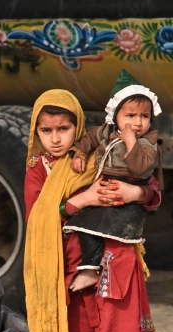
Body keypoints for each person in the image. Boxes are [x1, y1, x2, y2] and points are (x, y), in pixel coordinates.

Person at [23, 89, 160, 332]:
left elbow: (151, 187)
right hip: (66, 269)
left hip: (112, 259)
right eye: (46, 131)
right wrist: (77, 202)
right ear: (35, 132)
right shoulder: (38, 169)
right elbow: (37, 218)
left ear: (78, 127)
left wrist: (137, 196)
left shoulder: (99, 154)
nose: (55, 139)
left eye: (64, 129)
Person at [64, 70, 163, 292]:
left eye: (144, 116)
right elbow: (90, 138)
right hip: (104, 187)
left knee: (113, 236)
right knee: (85, 224)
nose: (137, 123)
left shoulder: (147, 143)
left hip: (129, 193)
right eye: (130, 116)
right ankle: (90, 269)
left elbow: (141, 168)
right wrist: (79, 153)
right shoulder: (107, 132)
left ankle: (104, 275)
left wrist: (131, 143)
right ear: (115, 116)